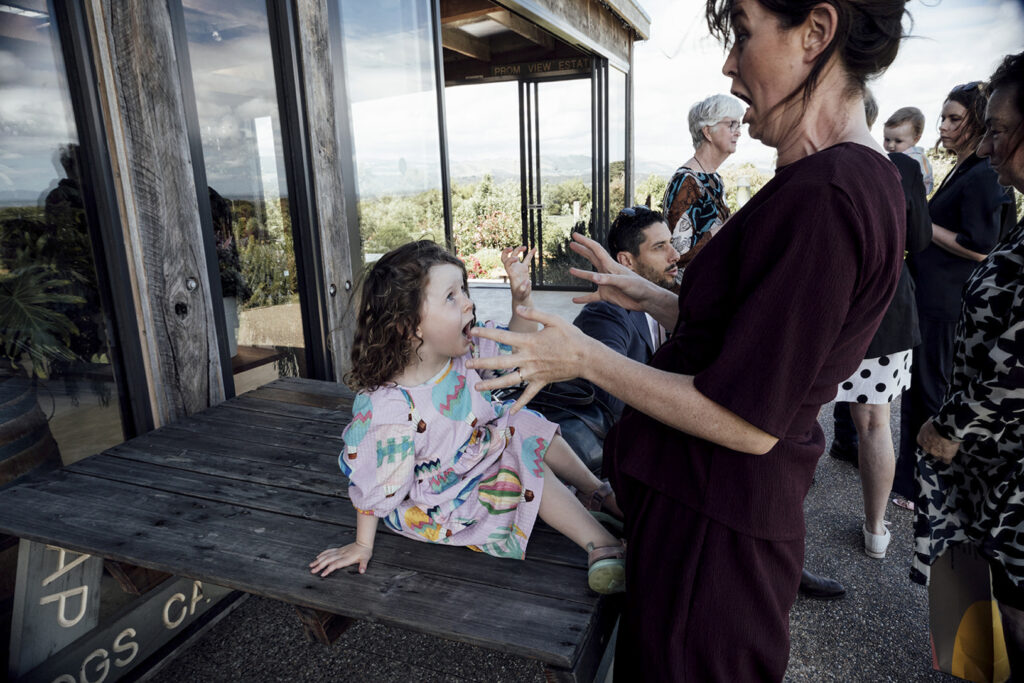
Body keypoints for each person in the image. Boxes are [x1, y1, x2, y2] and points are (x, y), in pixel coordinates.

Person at [467, 0, 908, 677]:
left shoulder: (829, 196)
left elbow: (747, 417)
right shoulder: (846, 180)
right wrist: (651, 296)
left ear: (817, 32)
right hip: (708, 523)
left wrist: (585, 357)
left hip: (713, 545)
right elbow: (756, 337)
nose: (730, 66)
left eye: (741, 33)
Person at [309, 241, 626, 594]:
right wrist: (363, 545)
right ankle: (601, 543)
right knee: (518, 455)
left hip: (476, 461)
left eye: (464, 290)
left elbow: (517, 348)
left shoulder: (466, 353)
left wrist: (520, 300)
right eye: (451, 296)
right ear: (409, 325)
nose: (468, 302)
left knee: (520, 419)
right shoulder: (389, 408)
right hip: (444, 505)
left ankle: (595, 491)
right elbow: (375, 482)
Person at [912, 51, 1024, 678]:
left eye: (1000, 130)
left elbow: (1017, 369)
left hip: (1009, 470)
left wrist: (949, 426)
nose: (989, 148)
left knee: (1013, 611)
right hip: (994, 464)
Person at [895, 81, 1017, 511]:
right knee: (919, 392)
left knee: (931, 393)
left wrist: (923, 226)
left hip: (946, 304)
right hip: (932, 298)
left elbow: (981, 244)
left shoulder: (984, 175)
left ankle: (919, 489)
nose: (943, 127)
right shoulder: (965, 167)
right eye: (942, 117)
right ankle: (908, 483)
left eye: (954, 119)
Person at [831, 94, 932, 559]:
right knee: (876, 423)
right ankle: (875, 530)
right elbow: (920, 240)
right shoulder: (905, 169)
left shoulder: (826, 162)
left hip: (837, 304)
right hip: (888, 303)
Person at [572, 205, 677, 422]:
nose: (674, 255)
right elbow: (611, 399)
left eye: (671, 244)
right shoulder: (606, 313)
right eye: (659, 247)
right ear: (626, 261)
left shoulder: (670, 296)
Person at [661, 93, 744, 278]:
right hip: (688, 293)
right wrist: (729, 225)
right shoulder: (686, 182)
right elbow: (677, 254)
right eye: (731, 124)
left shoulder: (714, 178)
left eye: (739, 125)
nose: (738, 131)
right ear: (707, 132)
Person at [883, 106, 935, 193]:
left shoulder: (916, 158)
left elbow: (927, 182)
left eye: (898, 141)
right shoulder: (888, 157)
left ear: (916, 139)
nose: (891, 145)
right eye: (887, 139)